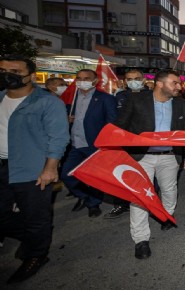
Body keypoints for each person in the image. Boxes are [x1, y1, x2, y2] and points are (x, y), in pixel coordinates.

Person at [0, 55, 69, 284]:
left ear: (30, 75)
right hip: (2, 166)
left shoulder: (47, 102)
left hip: (33, 168)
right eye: (3, 69)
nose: (8, 74)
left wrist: (50, 168)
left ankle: (36, 255)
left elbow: (58, 137)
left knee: (35, 217)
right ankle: (32, 239)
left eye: (15, 71)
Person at [113, 70, 185, 259]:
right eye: (174, 83)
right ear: (159, 83)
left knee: (169, 190)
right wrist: (113, 149)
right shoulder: (136, 100)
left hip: (170, 156)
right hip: (142, 157)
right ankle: (141, 240)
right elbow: (120, 126)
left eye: (179, 83)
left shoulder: (182, 104)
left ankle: (166, 216)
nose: (179, 87)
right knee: (139, 197)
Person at [60, 69, 117, 218]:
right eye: (78, 78)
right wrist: (66, 119)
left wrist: (106, 145)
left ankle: (93, 204)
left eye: (86, 78)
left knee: (95, 177)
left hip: (95, 145)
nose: (81, 81)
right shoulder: (70, 99)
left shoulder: (105, 99)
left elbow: (112, 123)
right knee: (66, 174)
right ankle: (84, 196)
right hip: (75, 144)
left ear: (95, 81)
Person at [106, 69, 150, 219]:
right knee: (121, 175)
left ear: (143, 80)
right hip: (123, 143)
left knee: (146, 176)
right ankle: (121, 204)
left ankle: (149, 202)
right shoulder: (119, 96)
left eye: (137, 78)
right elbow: (113, 119)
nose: (133, 81)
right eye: (129, 79)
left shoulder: (152, 96)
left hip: (145, 142)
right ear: (124, 82)